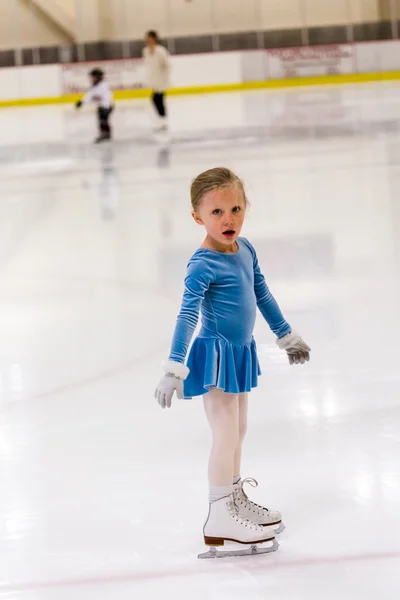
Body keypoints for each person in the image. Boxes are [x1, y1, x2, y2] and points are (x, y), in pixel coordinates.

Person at [154, 167, 311, 558]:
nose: (229, 220)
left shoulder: (246, 250)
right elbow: (187, 315)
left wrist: (285, 333)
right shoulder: (202, 264)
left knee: (238, 431)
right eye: (217, 212)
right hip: (216, 357)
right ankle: (218, 516)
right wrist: (174, 367)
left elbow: (262, 293)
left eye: (235, 209)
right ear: (198, 218)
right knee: (225, 434)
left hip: (240, 353)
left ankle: (234, 499)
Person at [75, 68, 114, 143]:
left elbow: (107, 97)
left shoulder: (103, 86)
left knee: (103, 120)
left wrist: (106, 107)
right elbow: (89, 95)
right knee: (102, 120)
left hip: (106, 106)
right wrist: (82, 102)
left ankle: (105, 134)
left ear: (98, 77)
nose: (91, 79)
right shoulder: (95, 86)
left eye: (93, 77)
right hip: (102, 106)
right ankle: (106, 133)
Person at [142, 31, 170, 131]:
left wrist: (165, 79)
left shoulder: (161, 51)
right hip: (153, 79)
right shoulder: (145, 51)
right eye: (147, 38)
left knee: (158, 99)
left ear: (155, 39)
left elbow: (167, 65)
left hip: (161, 80)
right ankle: (162, 120)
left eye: (150, 38)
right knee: (156, 99)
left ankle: (163, 121)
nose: (148, 40)